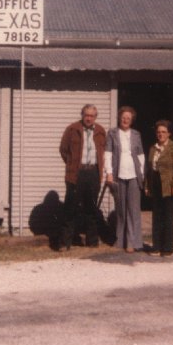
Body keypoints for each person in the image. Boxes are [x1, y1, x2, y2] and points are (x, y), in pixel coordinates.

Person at [58, 104, 106, 250]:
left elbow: (104, 152)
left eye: (92, 115)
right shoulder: (72, 129)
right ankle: (64, 243)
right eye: (86, 115)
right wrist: (72, 165)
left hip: (93, 173)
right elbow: (63, 150)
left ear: (95, 117)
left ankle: (92, 241)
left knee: (91, 209)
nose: (89, 118)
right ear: (82, 115)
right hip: (76, 174)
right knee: (70, 208)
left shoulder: (101, 131)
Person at [104, 106, 145, 252]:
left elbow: (141, 156)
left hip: (133, 174)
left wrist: (141, 174)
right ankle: (120, 240)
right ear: (119, 118)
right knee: (121, 208)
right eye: (123, 117)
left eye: (128, 118)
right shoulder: (112, 133)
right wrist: (109, 172)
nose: (125, 120)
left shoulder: (136, 134)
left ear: (132, 120)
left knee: (133, 209)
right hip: (118, 174)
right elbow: (108, 153)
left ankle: (132, 242)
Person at [145, 120, 173, 257]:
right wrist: (147, 186)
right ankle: (156, 246)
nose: (160, 134)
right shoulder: (152, 148)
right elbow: (149, 169)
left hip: (169, 185)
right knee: (157, 216)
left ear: (169, 133)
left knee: (168, 217)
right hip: (156, 184)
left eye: (163, 132)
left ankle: (168, 248)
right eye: (158, 132)